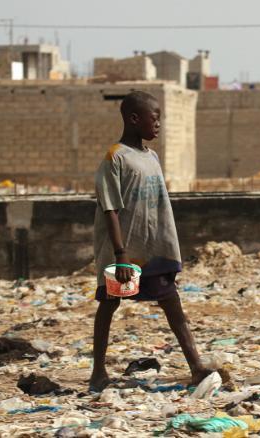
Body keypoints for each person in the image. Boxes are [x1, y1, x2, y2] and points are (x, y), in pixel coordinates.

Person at [90, 91, 211, 392]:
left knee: (171, 303)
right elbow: (110, 209)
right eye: (154, 118)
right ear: (134, 119)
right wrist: (121, 256)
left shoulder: (151, 157)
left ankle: (196, 366)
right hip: (126, 256)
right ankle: (97, 371)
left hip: (153, 252)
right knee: (109, 304)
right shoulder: (115, 158)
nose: (158, 124)